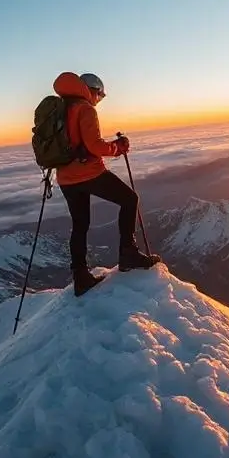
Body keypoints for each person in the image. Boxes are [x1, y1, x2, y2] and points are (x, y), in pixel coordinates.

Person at [52, 71, 160, 296]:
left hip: (65, 177)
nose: (98, 101)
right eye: (99, 96)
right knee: (130, 199)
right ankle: (128, 253)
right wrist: (117, 147)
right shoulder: (85, 108)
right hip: (88, 172)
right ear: (92, 91)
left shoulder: (60, 109)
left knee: (79, 225)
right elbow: (94, 146)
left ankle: (80, 277)